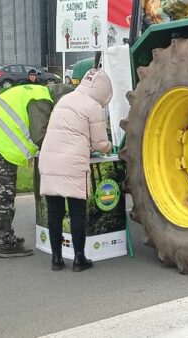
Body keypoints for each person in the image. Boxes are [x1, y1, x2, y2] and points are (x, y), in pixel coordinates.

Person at [0, 83, 73, 257]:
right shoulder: (42, 100)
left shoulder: (34, 91)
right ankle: (6, 244)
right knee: (4, 196)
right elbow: (40, 136)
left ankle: (4, 237)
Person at [39, 69, 113, 272]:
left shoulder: (65, 99)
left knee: (55, 212)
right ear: (103, 91)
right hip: (72, 164)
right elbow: (100, 143)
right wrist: (108, 147)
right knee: (77, 213)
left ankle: (56, 259)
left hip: (49, 159)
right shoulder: (93, 106)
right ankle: (79, 259)